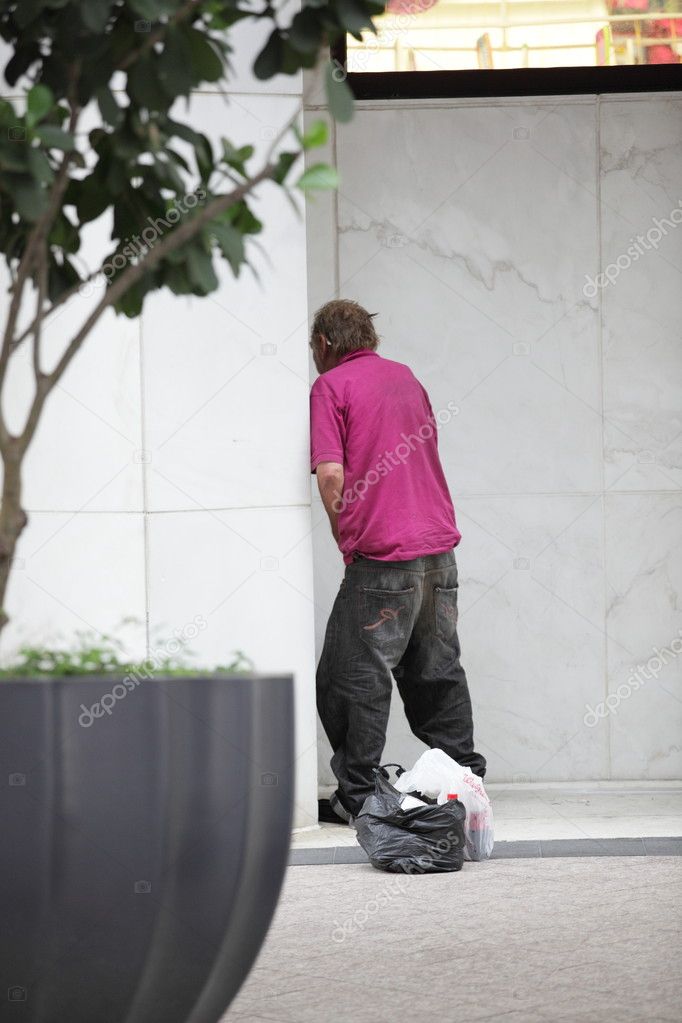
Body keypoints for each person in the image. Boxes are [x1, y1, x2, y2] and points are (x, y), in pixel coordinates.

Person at [310, 299, 487, 825]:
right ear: (372, 340)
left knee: (351, 675)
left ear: (323, 344)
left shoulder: (330, 386)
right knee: (436, 670)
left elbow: (331, 476)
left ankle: (360, 795)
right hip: (439, 552)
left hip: (382, 557)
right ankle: (463, 784)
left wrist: (349, 536)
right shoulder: (406, 379)